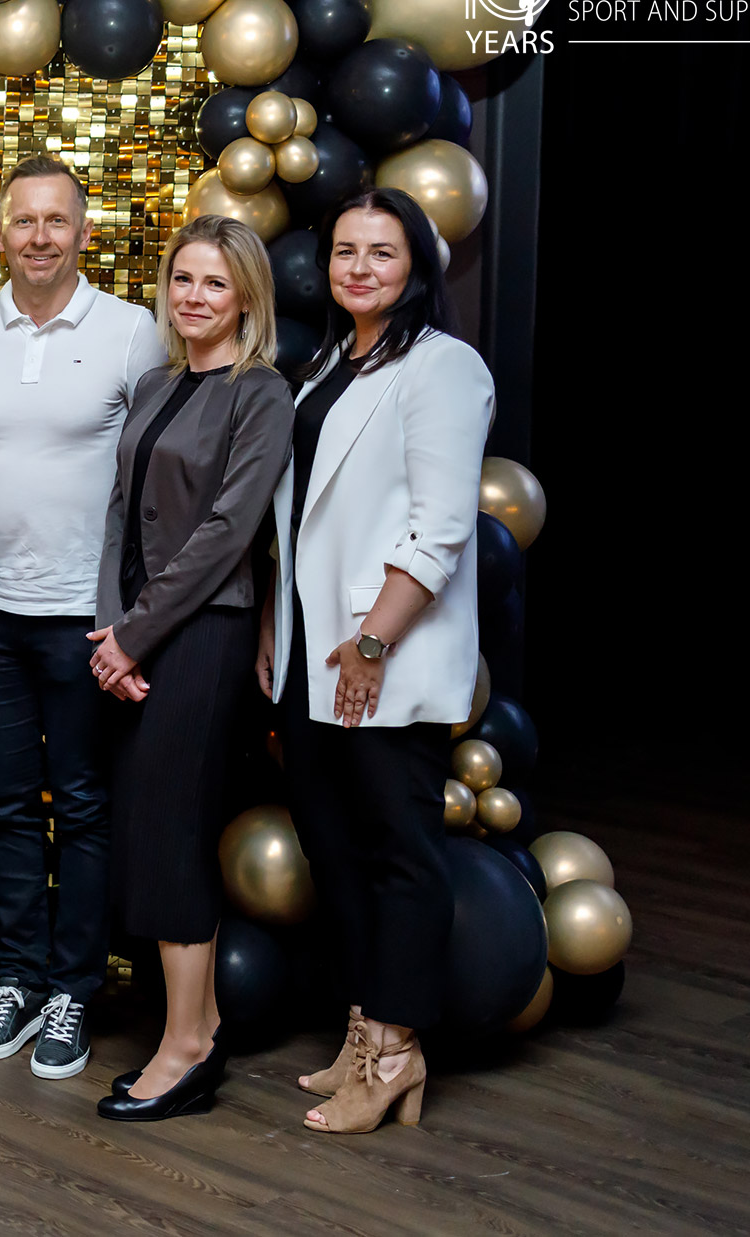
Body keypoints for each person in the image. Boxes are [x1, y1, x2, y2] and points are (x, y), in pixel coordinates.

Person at [259, 188, 494, 1134]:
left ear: (417, 267)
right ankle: (365, 1033)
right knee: (336, 846)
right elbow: (299, 521)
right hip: (310, 650)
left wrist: (372, 641)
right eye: (346, 251)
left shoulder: (443, 367)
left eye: (382, 252)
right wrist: (278, 624)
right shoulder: (328, 366)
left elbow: (440, 527)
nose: (359, 268)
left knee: (399, 853)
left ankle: (396, 1053)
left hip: (379, 651)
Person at [0, 155, 161, 1079]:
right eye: (23, 221)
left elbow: (156, 471)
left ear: (84, 231)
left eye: (56, 220)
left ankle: (75, 987)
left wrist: (135, 615)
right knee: (1, 800)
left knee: (81, 802)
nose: (39, 237)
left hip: (84, 615)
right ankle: (18, 977)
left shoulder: (132, 330)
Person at [88, 216, 294, 1121]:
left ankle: (183, 1050)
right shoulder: (155, 383)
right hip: (133, 636)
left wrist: (135, 637)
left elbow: (227, 534)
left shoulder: (263, 394)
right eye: (182, 279)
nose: (194, 296)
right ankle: (198, 1025)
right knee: (144, 830)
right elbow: (116, 512)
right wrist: (111, 628)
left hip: (205, 632)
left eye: (215, 282)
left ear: (246, 296)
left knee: (173, 834)